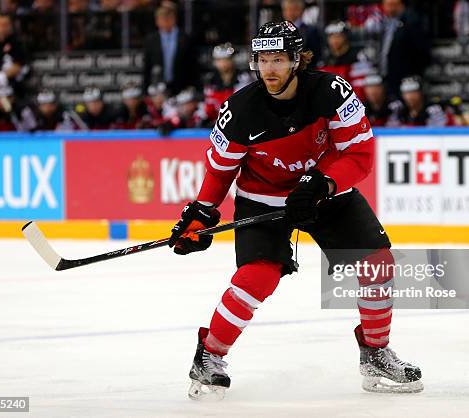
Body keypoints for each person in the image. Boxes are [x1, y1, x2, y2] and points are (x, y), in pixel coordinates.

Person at [167, 20, 423, 401]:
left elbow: (360, 154)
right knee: (257, 278)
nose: (269, 69)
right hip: (263, 199)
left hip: (324, 192)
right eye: (262, 59)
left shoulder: (332, 92)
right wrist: (202, 212)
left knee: (378, 263)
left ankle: (375, 353)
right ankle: (210, 356)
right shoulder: (240, 111)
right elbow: (221, 172)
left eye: (279, 59)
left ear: (298, 60)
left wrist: (323, 181)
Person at [375, 0, 430, 97]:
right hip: (388, 75)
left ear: (400, 5)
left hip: (407, 77)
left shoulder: (411, 20)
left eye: (392, 5)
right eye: (386, 5)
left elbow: (421, 50)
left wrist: (412, 72)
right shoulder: (385, 22)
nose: (388, 8)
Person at [142, 2, 198, 95]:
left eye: (168, 18)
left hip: (181, 87)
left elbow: (192, 65)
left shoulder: (185, 38)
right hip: (158, 88)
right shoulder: (151, 40)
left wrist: (193, 87)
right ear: (157, 21)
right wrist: (145, 90)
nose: (165, 21)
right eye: (162, 19)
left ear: (174, 19)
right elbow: (147, 67)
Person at [318, 20, 372, 100]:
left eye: (338, 36)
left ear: (346, 37)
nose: (335, 40)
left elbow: (362, 87)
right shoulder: (323, 61)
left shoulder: (358, 58)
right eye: (331, 36)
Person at [203, 43, 254, 124]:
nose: (222, 63)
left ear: (232, 59)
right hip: (217, 122)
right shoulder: (211, 80)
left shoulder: (244, 77)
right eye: (219, 60)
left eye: (226, 59)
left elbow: (243, 103)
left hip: (240, 121)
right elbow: (209, 106)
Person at [388, 76, 455, 127]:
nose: (410, 96)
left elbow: (438, 132)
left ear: (421, 92)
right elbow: (390, 131)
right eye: (406, 93)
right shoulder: (399, 110)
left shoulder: (433, 110)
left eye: (413, 92)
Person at [281, 0, 323, 67]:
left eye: (294, 9)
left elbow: (315, 55)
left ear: (302, 11)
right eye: (287, 9)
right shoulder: (278, 30)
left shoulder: (311, 31)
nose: (290, 13)